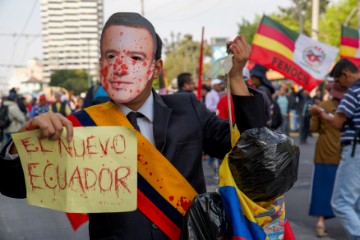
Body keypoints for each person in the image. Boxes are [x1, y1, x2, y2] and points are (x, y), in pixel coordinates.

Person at [1, 12, 265, 240]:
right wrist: (21, 143)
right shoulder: (80, 125)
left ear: (157, 67)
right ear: (101, 64)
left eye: (136, 57)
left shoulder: (188, 109)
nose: (121, 67)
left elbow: (252, 151)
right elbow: (14, 186)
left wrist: (236, 78)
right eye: (111, 55)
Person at [309, 58, 360, 240]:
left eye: (338, 81)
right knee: (357, 203)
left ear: (346, 75)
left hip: (354, 149)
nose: (338, 86)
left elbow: (338, 122)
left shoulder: (353, 92)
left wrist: (319, 112)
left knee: (341, 203)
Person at [308, 82, 346, 237]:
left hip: (324, 152)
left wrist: (316, 114)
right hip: (345, 152)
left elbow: (313, 129)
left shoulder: (323, 105)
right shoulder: (352, 105)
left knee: (322, 187)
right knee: (349, 190)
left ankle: (320, 222)